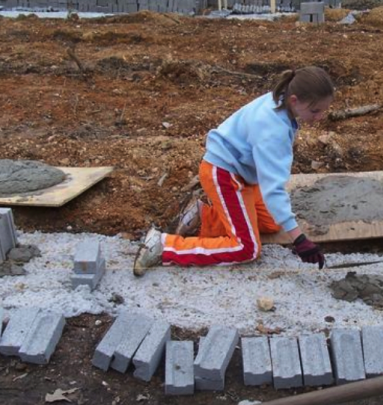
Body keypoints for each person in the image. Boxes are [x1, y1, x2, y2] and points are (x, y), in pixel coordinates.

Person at [133, 66, 334, 276]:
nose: (320, 117)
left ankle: (203, 216)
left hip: (242, 173)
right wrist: (299, 239)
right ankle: (164, 246)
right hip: (223, 174)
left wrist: (291, 227)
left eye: (323, 110)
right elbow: (273, 189)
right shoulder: (273, 130)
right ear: (294, 100)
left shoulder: (280, 99)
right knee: (246, 249)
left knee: (272, 223)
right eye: (315, 111)